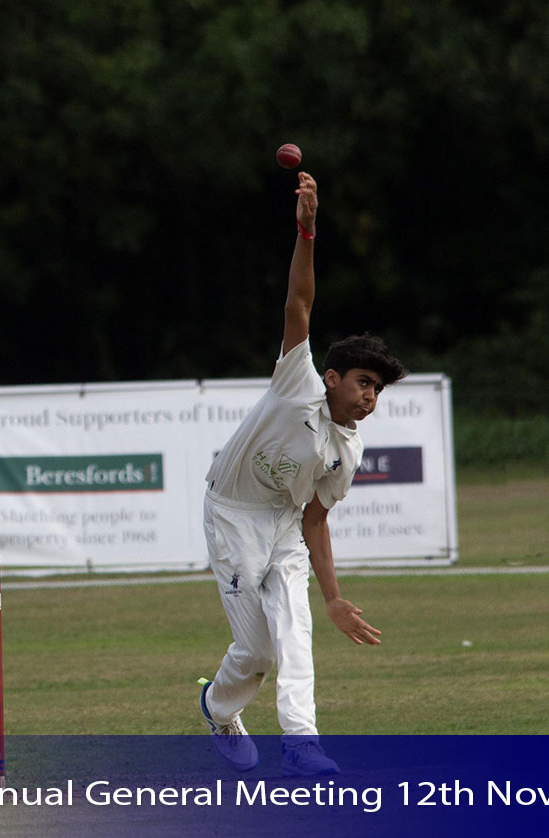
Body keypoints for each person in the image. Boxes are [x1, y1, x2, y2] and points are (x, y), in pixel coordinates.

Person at [198, 174, 406, 776]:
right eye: (364, 383)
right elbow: (298, 303)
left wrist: (335, 597)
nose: (370, 398)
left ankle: (302, 742)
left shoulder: (348, 449)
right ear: (333, 376)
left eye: (378, 391)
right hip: (232, 511)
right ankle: (217, 706)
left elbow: (315, 518)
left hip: (285, 524)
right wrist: (307, 231)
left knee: (295, 628)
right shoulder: (297, 385)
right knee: (258, 649)